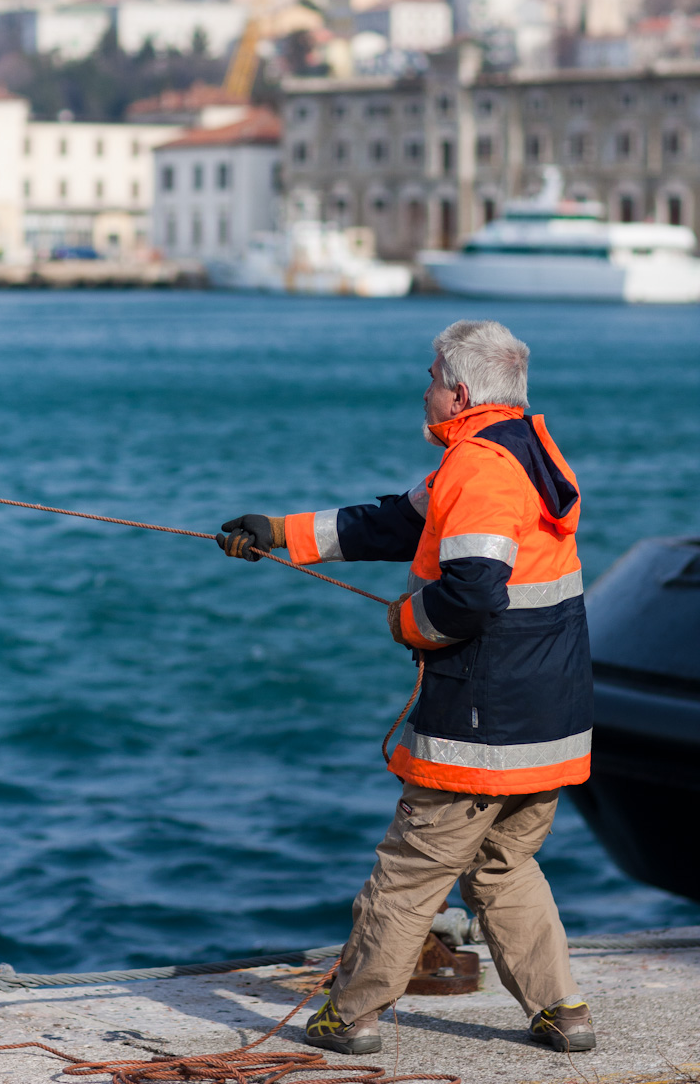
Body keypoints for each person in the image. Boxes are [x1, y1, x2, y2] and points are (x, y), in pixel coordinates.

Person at [217, 319, 595, 1057]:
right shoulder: (516, 453)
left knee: (408, 873)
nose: (421, 390)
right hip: (550, 720)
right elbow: (395, 523)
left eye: (428, 377)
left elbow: (473, 595)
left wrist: (410, 624)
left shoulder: (480, 470)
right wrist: (278, 532)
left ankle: (348, 1016)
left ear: (457, 392)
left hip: (485, 729)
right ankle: (563, 1011)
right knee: (503, 864)